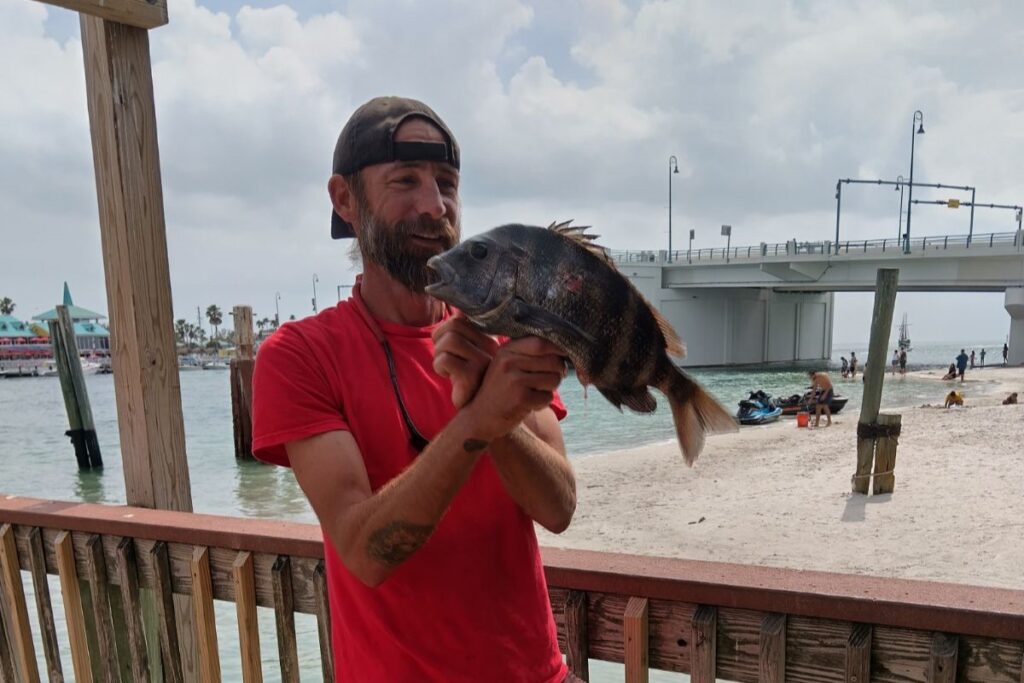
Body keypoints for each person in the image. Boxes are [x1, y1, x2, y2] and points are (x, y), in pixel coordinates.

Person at [251, 97, 577, 682]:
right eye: (405, 181)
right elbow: (365, 552)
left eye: (446, 183)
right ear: (344, 199)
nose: (435, 206)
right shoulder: (300, 357)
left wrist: (495, 415)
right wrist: (478, 420)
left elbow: (558, 508)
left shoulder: (506, 335)